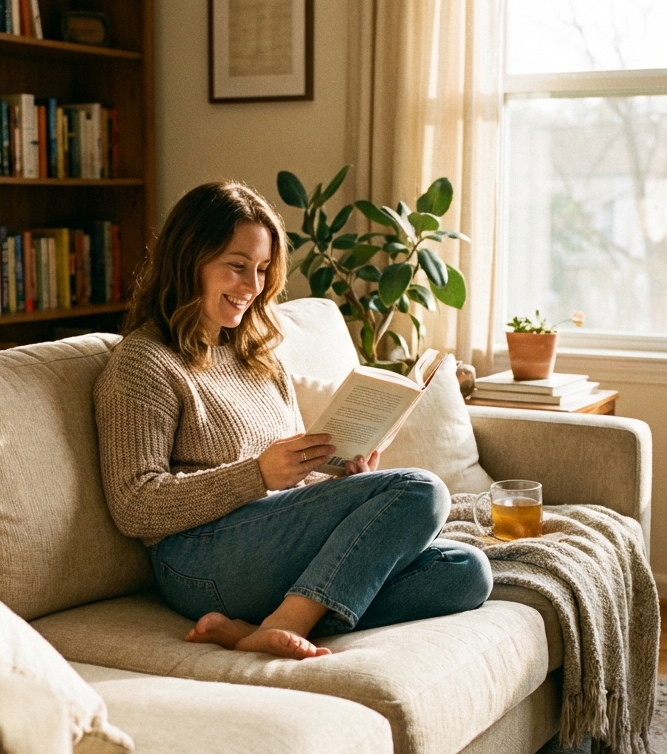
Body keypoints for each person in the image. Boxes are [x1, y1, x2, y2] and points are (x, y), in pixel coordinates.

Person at [94, 180, 492, 660]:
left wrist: (341, 478)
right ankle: (284, 623)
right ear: (188, 260)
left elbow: (287, 494)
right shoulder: (144, 362)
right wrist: (256, 475)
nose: (253, 287)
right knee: (421, 489)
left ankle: (255, 627)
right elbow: (133, 504)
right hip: (198, 561)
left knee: (465, 570)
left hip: (268, 552)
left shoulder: (256, 355)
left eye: (262, 270)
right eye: (237, 267)